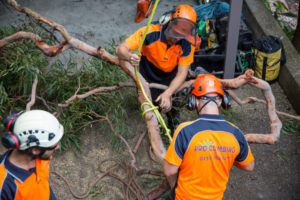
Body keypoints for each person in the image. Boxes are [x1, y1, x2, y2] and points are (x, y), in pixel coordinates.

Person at [162, 74, 255, 200]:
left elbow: (169, 171)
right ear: (222, 101)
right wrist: (223, 155)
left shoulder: (185, 131)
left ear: (194, 101)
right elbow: (249, 166)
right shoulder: (236, 133)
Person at [116, 5, 198, 134]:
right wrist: (129, 56)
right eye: (175, 32)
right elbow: (120, 49)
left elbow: (182, 72)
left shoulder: (187, 43)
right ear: (169, 21)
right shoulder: (150, 31)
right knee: (153, 106)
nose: (177, 38)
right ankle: (156, 130)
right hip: (148, 74)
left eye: (182, 34)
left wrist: (168, 92)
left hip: (172, 76)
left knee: (174, 105)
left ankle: (173, 127)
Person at [0, 110, 64, 200]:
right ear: (35, 150)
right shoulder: (5, 187)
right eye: (52, 146)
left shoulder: (40, 157)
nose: (57, 147)